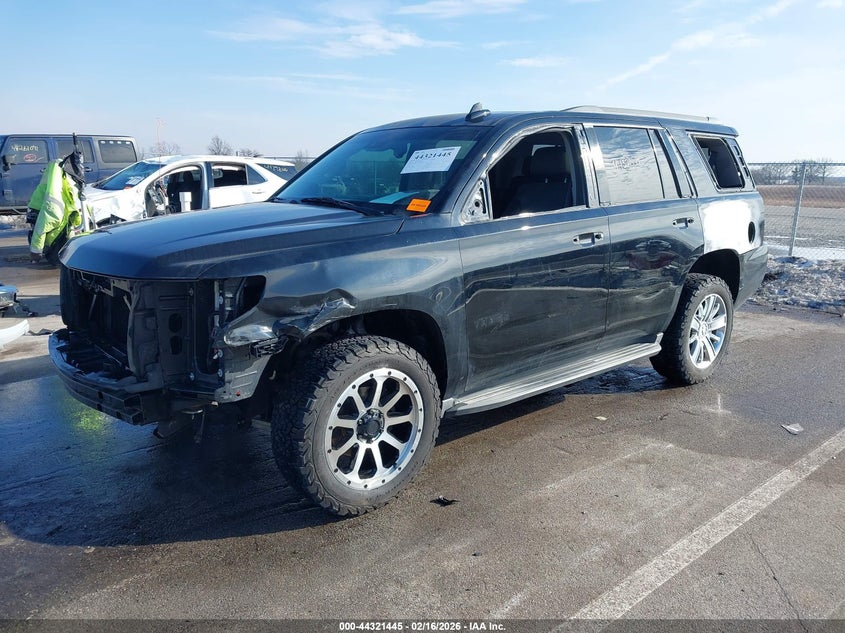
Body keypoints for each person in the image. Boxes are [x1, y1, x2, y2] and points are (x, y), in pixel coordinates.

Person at [28, 152, 86, 265]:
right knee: (42, 229)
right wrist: (36, 253)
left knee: (44, 229)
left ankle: (42, 250)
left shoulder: (59, 174)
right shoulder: (54, 212)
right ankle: (41, 251)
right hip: (46, 206)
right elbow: (41, 229)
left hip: (40, 204)